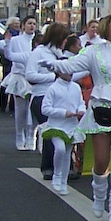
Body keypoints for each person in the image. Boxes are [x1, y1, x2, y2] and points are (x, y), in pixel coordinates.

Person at [42, 13, 111, 221]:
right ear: (106, 27)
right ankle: (99, 196)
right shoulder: (93, 51)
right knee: (101, 161)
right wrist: (54, 65)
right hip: (101, 107)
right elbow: (72, 65)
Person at [27, 23, 76, 179]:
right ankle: (48, 167)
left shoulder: (62, 55)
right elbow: (30, 76)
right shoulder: (39, 53)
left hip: (61, 97)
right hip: (41, 96)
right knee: (52, 127)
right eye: (64, 38)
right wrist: (53, 77)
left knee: (66, 127)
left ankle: (65, 166)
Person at [41, 67, 87, 195]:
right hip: (56, 125)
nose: (71, 73)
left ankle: (63, 182)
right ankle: (57, 174)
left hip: (71, 126)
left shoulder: (75, 87)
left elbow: (80, 102)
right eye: (67, 70)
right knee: (60, 149)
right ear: (59, 72)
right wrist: (63, 113)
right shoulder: (53, 88)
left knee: (67, 154)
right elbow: (45, 109)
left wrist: (81, 110)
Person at [0, 16, 37, 150]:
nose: (32, 26)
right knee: (21, 109)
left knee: (33, 109)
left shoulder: (38, 41)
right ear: (23, 26)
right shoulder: (16, 40)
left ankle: (31, 135)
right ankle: (19, 135)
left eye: (34, 24)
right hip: (20, 77)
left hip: (34, 78)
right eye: (29, 23)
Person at [0, 17, 20, 113]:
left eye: (18, 23)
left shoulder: (20, 35)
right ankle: (3, 105)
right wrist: (8, 56)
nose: (17, 25)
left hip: (16, 62)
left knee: (15, 84)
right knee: (5, 84)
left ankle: (12, 106)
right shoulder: (6, 34)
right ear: (10, 24)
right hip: (7, 63)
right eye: (15, 24)